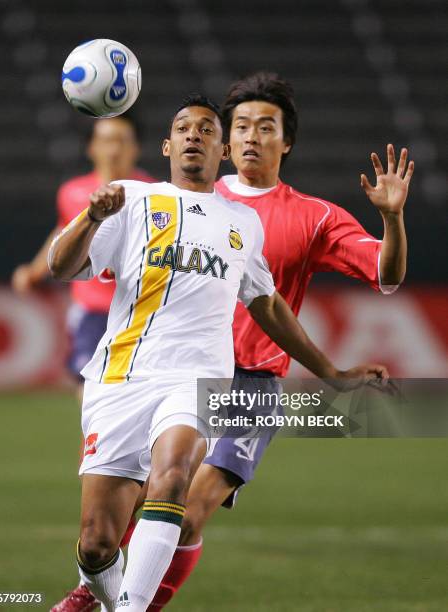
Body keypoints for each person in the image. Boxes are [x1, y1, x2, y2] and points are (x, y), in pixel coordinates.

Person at [47, 95, 388, 612]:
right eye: (183, 128)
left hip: (200, 381)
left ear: (222, 150)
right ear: (166, 145)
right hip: (121, 379)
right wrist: (90, 219)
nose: (194, 136)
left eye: (207, 130)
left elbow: (267, 304)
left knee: (176, 475)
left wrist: (330, 371)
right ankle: (98, 590)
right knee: (97, 544)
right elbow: (62, 266)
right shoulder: (130, 200)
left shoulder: (242, 224)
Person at [138, 73, 413, 610]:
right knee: (148, 506)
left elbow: (388, 273)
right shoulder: (194, 198)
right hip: (181, 371)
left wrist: (393, 218)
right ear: (224, 139)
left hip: (252, 383)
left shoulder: (313, 216)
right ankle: (99, 593)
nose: (250, 136)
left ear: (285, 141)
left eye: (266, 127)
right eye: (240, 125)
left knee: (190, 510)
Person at [12, 115, 155, 394]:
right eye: (105, 141)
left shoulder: (154, 195)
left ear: (136, 148)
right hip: (91, 313)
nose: (113, 149)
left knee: (136, 397)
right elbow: (63, 233)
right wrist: (34, 270)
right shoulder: (72, 192)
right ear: (91, 148)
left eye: (122, 141)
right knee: (90, 396)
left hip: (137, 312)